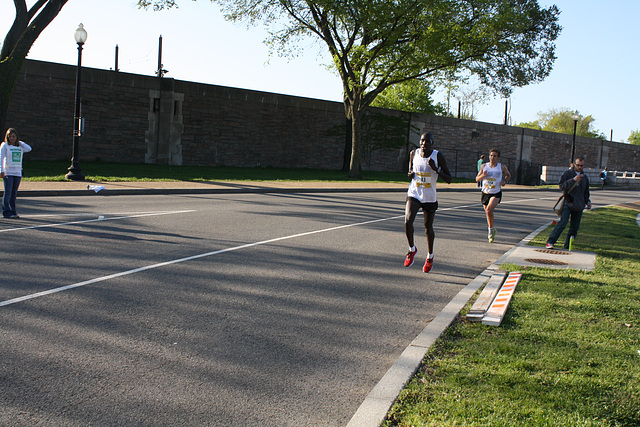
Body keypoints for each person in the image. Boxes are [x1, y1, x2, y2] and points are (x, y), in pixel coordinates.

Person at [404, 132, 452, 273]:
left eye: (427, 141)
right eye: (422, 141)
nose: (424, 144)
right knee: (408, 221)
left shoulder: (438, 156)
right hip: (414, 193)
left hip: (429, 196)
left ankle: (430, 256)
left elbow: (449, 179)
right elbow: (410, 169)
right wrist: (410, 174)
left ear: (432, 143)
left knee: (428, 228)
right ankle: (412, 250)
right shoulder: (414, 153)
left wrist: (435, 169)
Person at [546, 156, 592, 249]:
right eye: (578, 165)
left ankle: (567, 246)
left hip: (579, 205)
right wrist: (573, 180)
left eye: (582, 166)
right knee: (563, 222)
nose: (580, 167)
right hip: (568, 202)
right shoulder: (567, 174)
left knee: (574, 227)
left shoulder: (585, 177)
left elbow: (586, 192)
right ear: (574, 164)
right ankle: (550, 242)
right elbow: (561, 186)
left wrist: (588, 201)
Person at [476, 148, 511, 243]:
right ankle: (492, 228)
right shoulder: (484, 166)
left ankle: (490, 232)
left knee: (489, 210)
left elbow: (508, 175)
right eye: (491, 155)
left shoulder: (501, 167)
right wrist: (483, 176)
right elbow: (477, 179)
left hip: (496, 192)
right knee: (488, 213)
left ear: (498, 158)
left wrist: (505, 181)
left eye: (495, 156)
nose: (492, 157)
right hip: (485, 192)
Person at [1, 128, 32, 219]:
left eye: (14, 136)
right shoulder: (5, 145)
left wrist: (19, 142)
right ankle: (6, 212)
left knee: (14, 193)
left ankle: (13, 211)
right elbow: (1, 158)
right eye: (10, 137)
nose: (12, 138)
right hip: (8, 172)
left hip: (17, 172)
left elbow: (29, 148)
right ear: (7, 137)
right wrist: (1, 170)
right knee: (8, 192)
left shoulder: (20, 146)